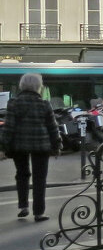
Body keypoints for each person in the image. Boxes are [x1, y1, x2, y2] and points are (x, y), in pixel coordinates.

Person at [0, 73, 61, 221]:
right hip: (41, 145)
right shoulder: (44, 104)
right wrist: (57, 145)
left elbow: (9, 127)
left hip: (19, 145)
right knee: (40, 179)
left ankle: (23, 207)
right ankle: (39, 213)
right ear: (38, 86)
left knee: (22, 175)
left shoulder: (14, 103)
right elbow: (52, 127)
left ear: (22, 85)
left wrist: (2, 147)